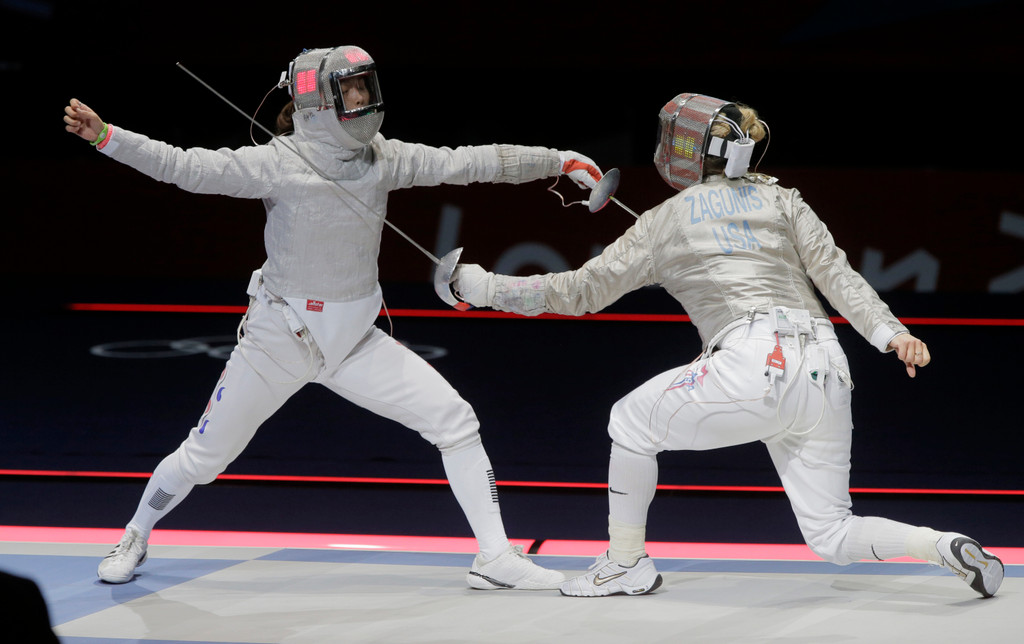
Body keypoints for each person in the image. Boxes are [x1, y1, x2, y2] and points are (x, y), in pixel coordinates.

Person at [63, 45, 603, 591]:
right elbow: (183, 166)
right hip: (279, 341)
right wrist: (107, 136)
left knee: (455, 421)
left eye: (366, 87)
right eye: (351, 90)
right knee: (204, 458)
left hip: (353, 342)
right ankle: (135, 532)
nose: (364, 99)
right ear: (317, 100)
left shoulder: (384, 158)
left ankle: (494, 557)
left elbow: (471, 160)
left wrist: (556, 160)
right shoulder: (277, 163)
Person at [452, 92, 1005, 598]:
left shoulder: (664, 221)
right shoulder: (783, 200)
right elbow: (837, 275)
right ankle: (941, 545)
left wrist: (484, 288)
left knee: (629, 421)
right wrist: (893, 335)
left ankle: (626, 563)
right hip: (827, 368)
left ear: (693, 151)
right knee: (832, 533)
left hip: (756, 363)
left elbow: (578, 291)